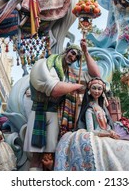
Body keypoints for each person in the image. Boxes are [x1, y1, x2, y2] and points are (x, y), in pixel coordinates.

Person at [23, 39, 100, 171]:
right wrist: (76, 86)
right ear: (66, 51)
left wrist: (86, 53)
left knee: (50, 155)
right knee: (36, 156)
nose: (73, 57)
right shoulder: (46, 64)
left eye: (76, 57)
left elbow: (96, 75)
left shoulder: (68, 74)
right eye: (73, 53)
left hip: (54, 114)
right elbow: (55, 89)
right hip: (39, 112)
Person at [54, 77, 129, 171]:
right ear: (89, 90)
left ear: (102, 91)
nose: (96, 91)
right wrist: (108, 133)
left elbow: (107, 125)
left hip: (108, 134)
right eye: (94, 88)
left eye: (99, 89)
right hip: (99, 136)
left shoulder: (102, 109)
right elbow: (91, 131)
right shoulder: (89, 109)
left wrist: (110, 131)